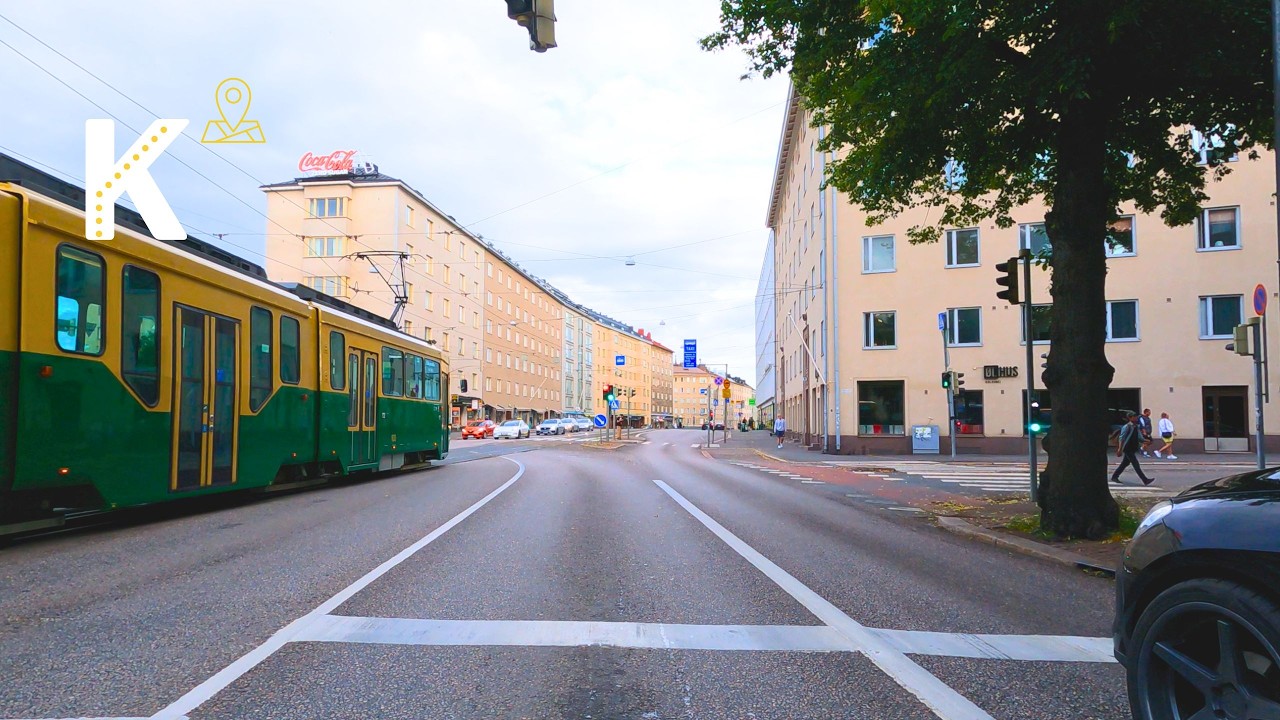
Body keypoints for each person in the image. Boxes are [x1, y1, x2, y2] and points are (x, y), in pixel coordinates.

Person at [1112, 413, 1154, 486]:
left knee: (1125, 463)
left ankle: (1114, 476)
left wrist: (1146, 441)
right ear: (1130, 418)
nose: (1136, 418)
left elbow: (1139, 437)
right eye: (1134, 417)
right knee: (1136, 464)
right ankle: (1145, 480)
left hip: (1133, 448)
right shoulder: (1127, 426)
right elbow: (1122, 438)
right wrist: (1120, 449)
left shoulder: (1136, 427)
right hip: (1127, 448)